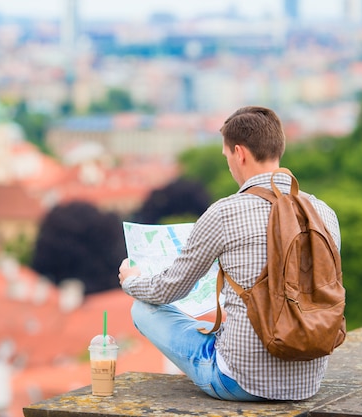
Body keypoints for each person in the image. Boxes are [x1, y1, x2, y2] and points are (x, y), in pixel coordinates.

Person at [118, 106, 341, 401]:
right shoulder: (323, 212)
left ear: (240, 153)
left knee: (142, 308)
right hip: (307, 384)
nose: (229, 165)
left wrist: (132, 281)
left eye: (227, 157)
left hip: (239, 382)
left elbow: (169, 289)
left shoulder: (225, 213)